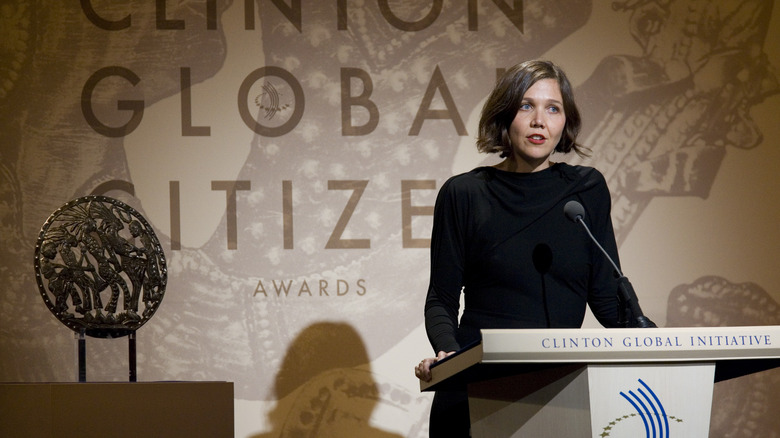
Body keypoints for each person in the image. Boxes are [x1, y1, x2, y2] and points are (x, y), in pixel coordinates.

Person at [414, 60, 628, 437]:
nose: (539, 121)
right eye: (526, 106)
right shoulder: (464, 194)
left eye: (553, 108)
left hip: (557, 390)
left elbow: (608, 300)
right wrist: (448, 352)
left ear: (565, 123)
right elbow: (441, 300)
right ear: (504, 116)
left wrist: (660, 343)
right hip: (475, 386)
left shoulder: (585, 190)